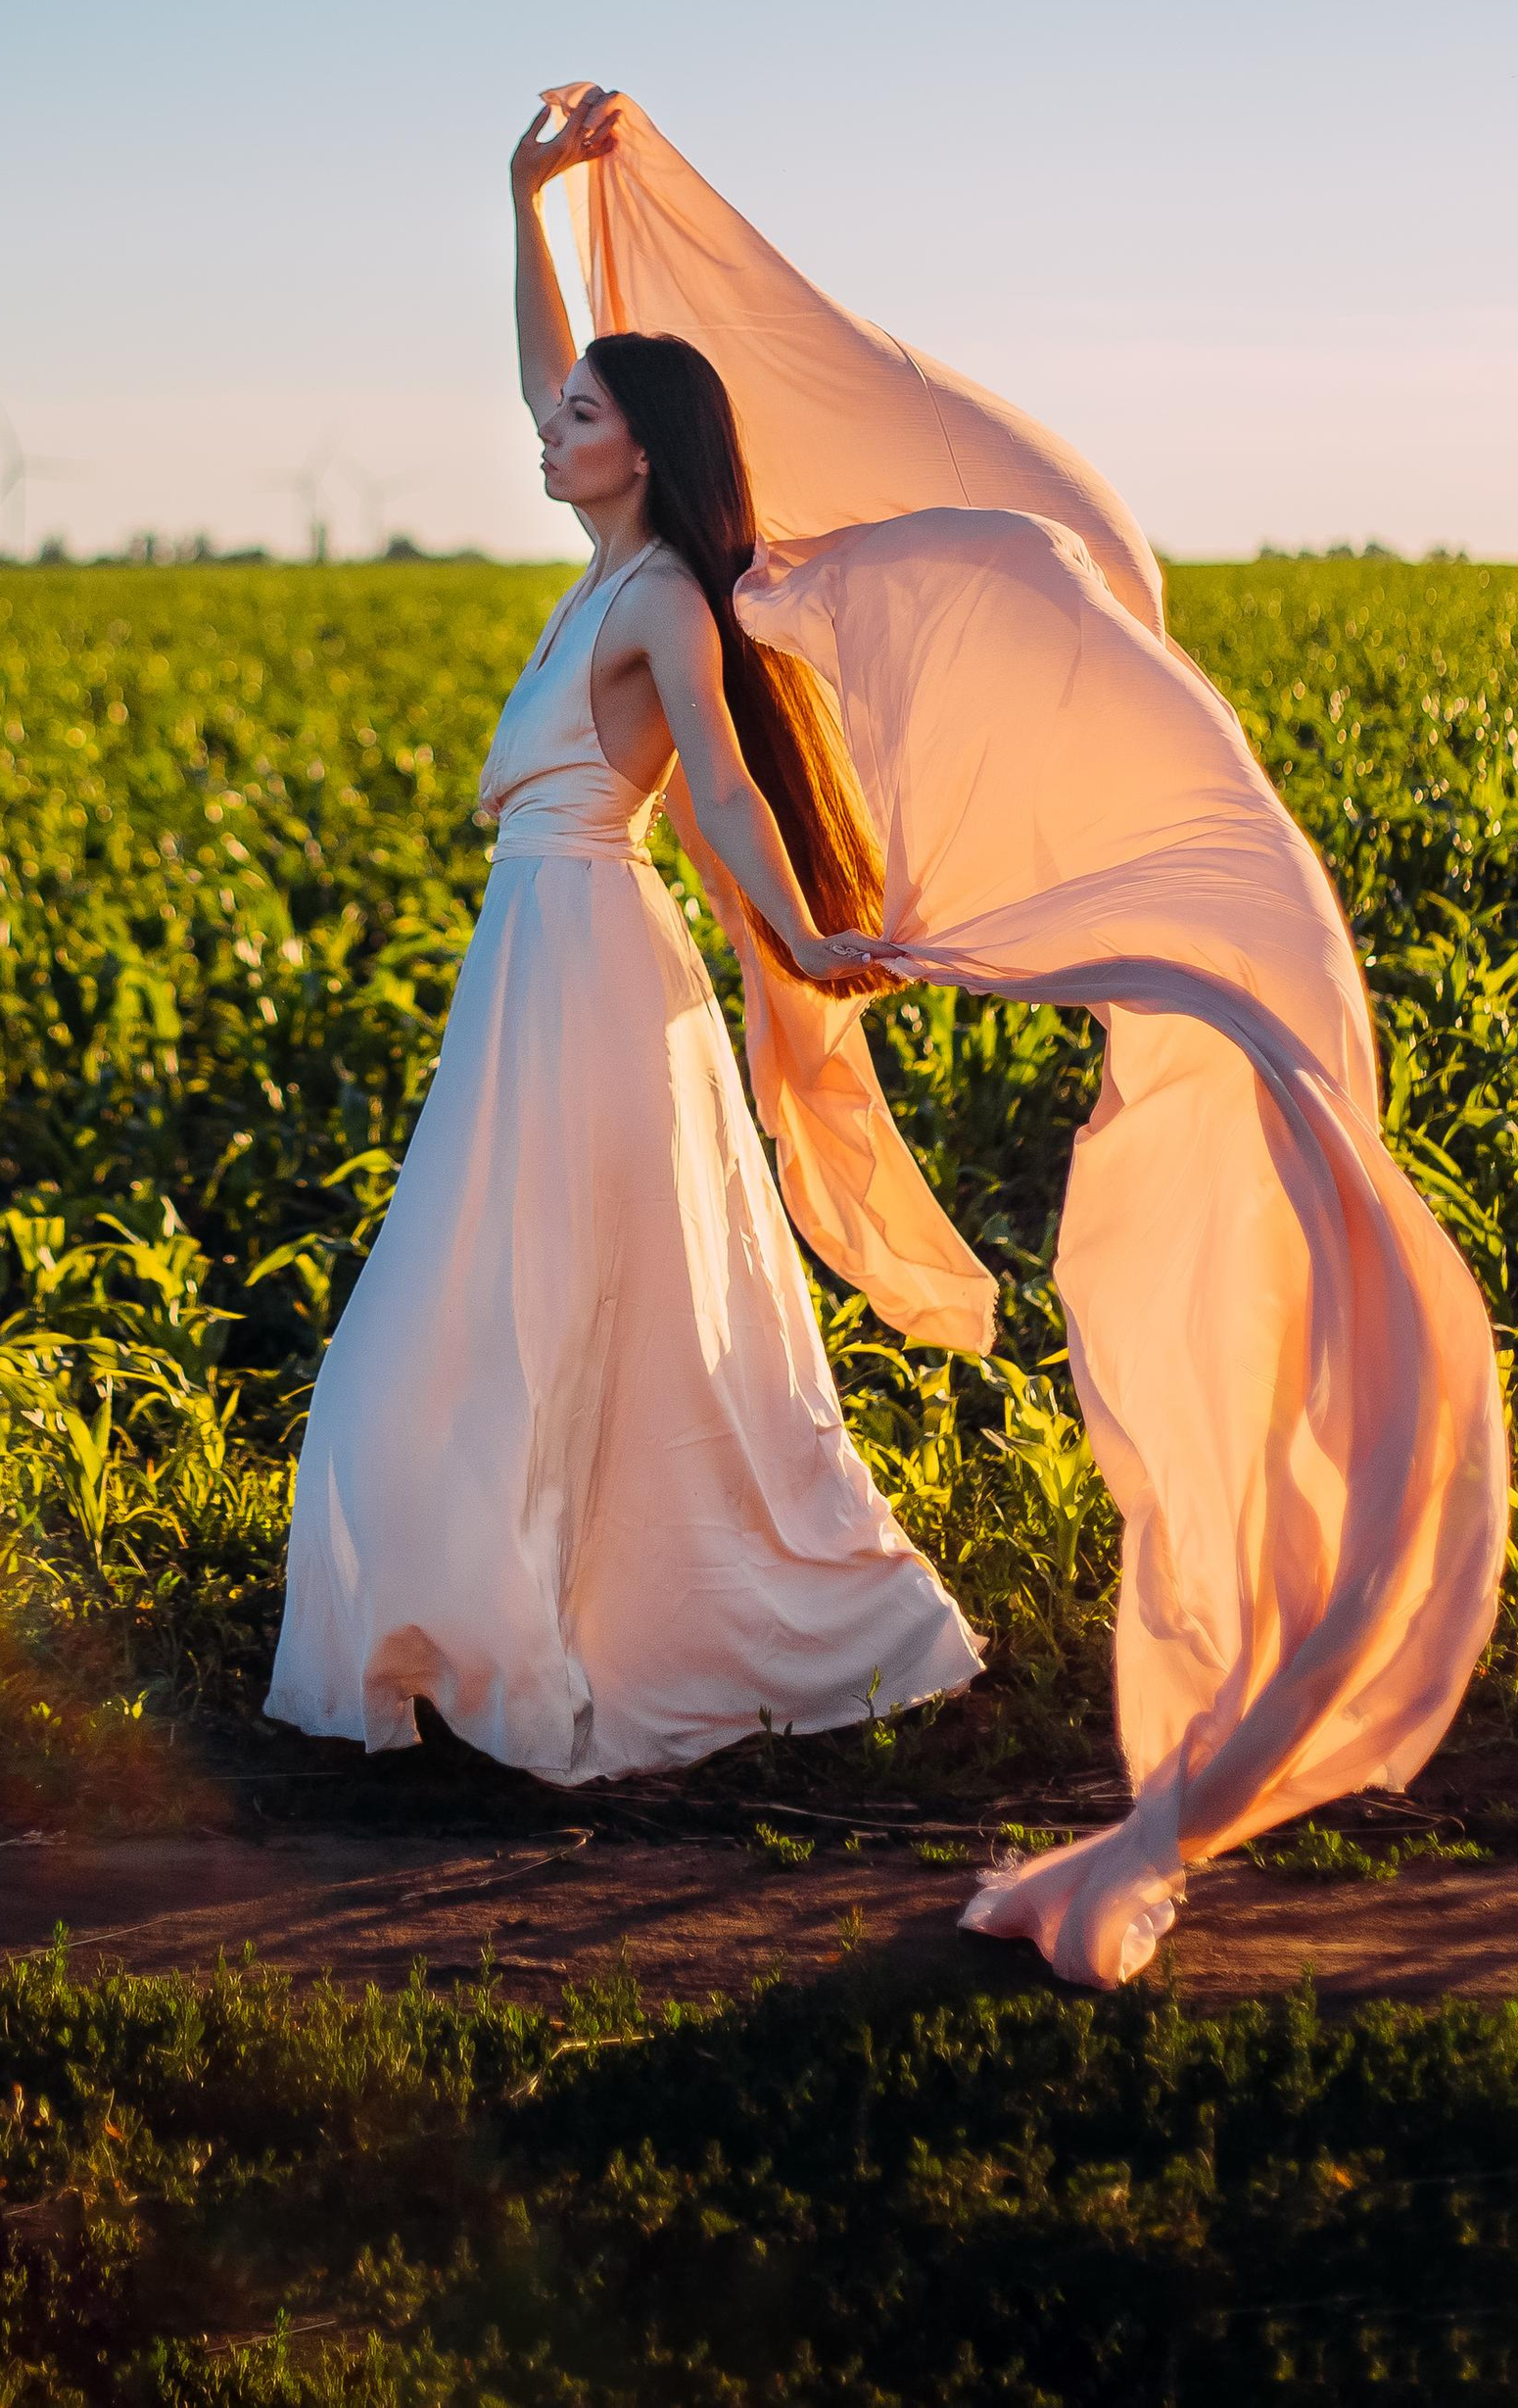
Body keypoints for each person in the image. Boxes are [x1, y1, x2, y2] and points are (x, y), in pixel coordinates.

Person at [263, 86, 983, 1780]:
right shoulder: (602, 567)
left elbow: (720, 790)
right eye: (560, 409)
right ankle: (510, 1631)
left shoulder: (660, 599)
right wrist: (523, 200)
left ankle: (679, 1636)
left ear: (639, 449)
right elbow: (545, 369)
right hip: (535, 967)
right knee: (512, 1306)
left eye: (581, 417)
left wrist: (804, 937)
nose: (547, 427)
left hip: (587, 972)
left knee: (560, 1306)